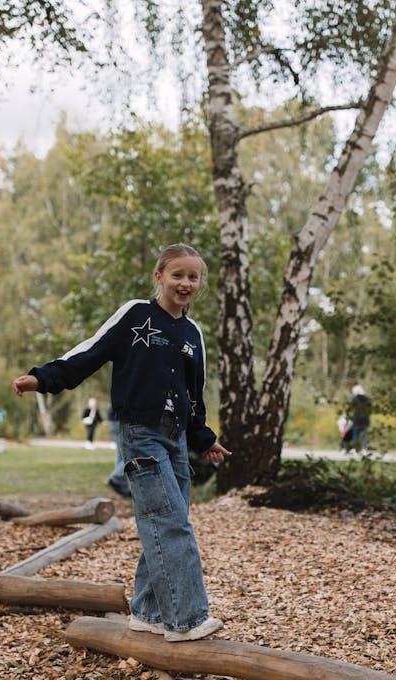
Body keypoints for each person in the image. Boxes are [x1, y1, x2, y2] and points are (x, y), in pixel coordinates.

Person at [12, 243, 231, 643]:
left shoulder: (193, 334)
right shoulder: (136, 316)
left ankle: (147, 614)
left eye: (193, 277)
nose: (185, 283)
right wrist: (42, 378)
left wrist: (204, 439)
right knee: (170, 521)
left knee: (165, 519)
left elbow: (194, 396)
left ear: (200, 283)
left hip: (176, 439)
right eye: (177, 274)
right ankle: (186, 620)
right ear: (159, 276)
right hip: (140, 433)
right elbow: (88, 354)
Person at [105, 402, 131, 497]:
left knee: (121, 455)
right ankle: (116, 477)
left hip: (115, 420)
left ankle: (122, 486)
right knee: (130, 452)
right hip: (120, 420)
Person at [343, 384, 372, 452]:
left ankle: (355, 447)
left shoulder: (354, 399)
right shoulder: (367, 399)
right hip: (365, 419)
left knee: (355, 433)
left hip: (357, 419)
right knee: (365, 434)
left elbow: (350, 409)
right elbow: (370, 409)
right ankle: (364, 447)